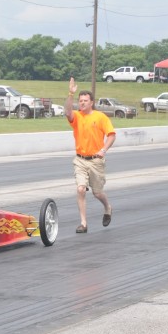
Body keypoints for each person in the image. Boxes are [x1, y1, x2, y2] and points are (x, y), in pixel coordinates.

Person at [64, 76, 115, 234]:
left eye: (85, 100)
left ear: (91, 102)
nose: (82, 103)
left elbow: (111, 135)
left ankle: (107, 207)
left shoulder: (100, 117)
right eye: (80, 100)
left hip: (96, 160)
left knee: (97, 192)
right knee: (80, 189)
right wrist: (71, 94)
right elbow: (67, 112)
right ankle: (83, 223)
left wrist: (103, 150)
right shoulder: (77, 117)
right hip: (80, 159)